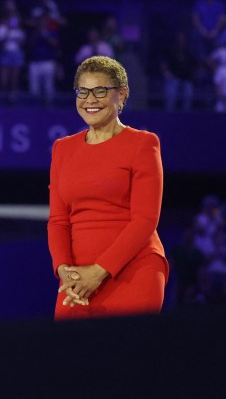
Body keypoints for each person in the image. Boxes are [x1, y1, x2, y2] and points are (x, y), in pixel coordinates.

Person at [48, 56, 167, 319]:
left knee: (125, 357)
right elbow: (57, 220)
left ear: (122, 95)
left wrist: (99, 271)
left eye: (100, 90)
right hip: (76, 280)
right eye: (83, 91)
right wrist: (63, 269)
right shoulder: (62, 149)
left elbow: (146, 220)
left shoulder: (143, 144)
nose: (90, 99)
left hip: (134, 270)